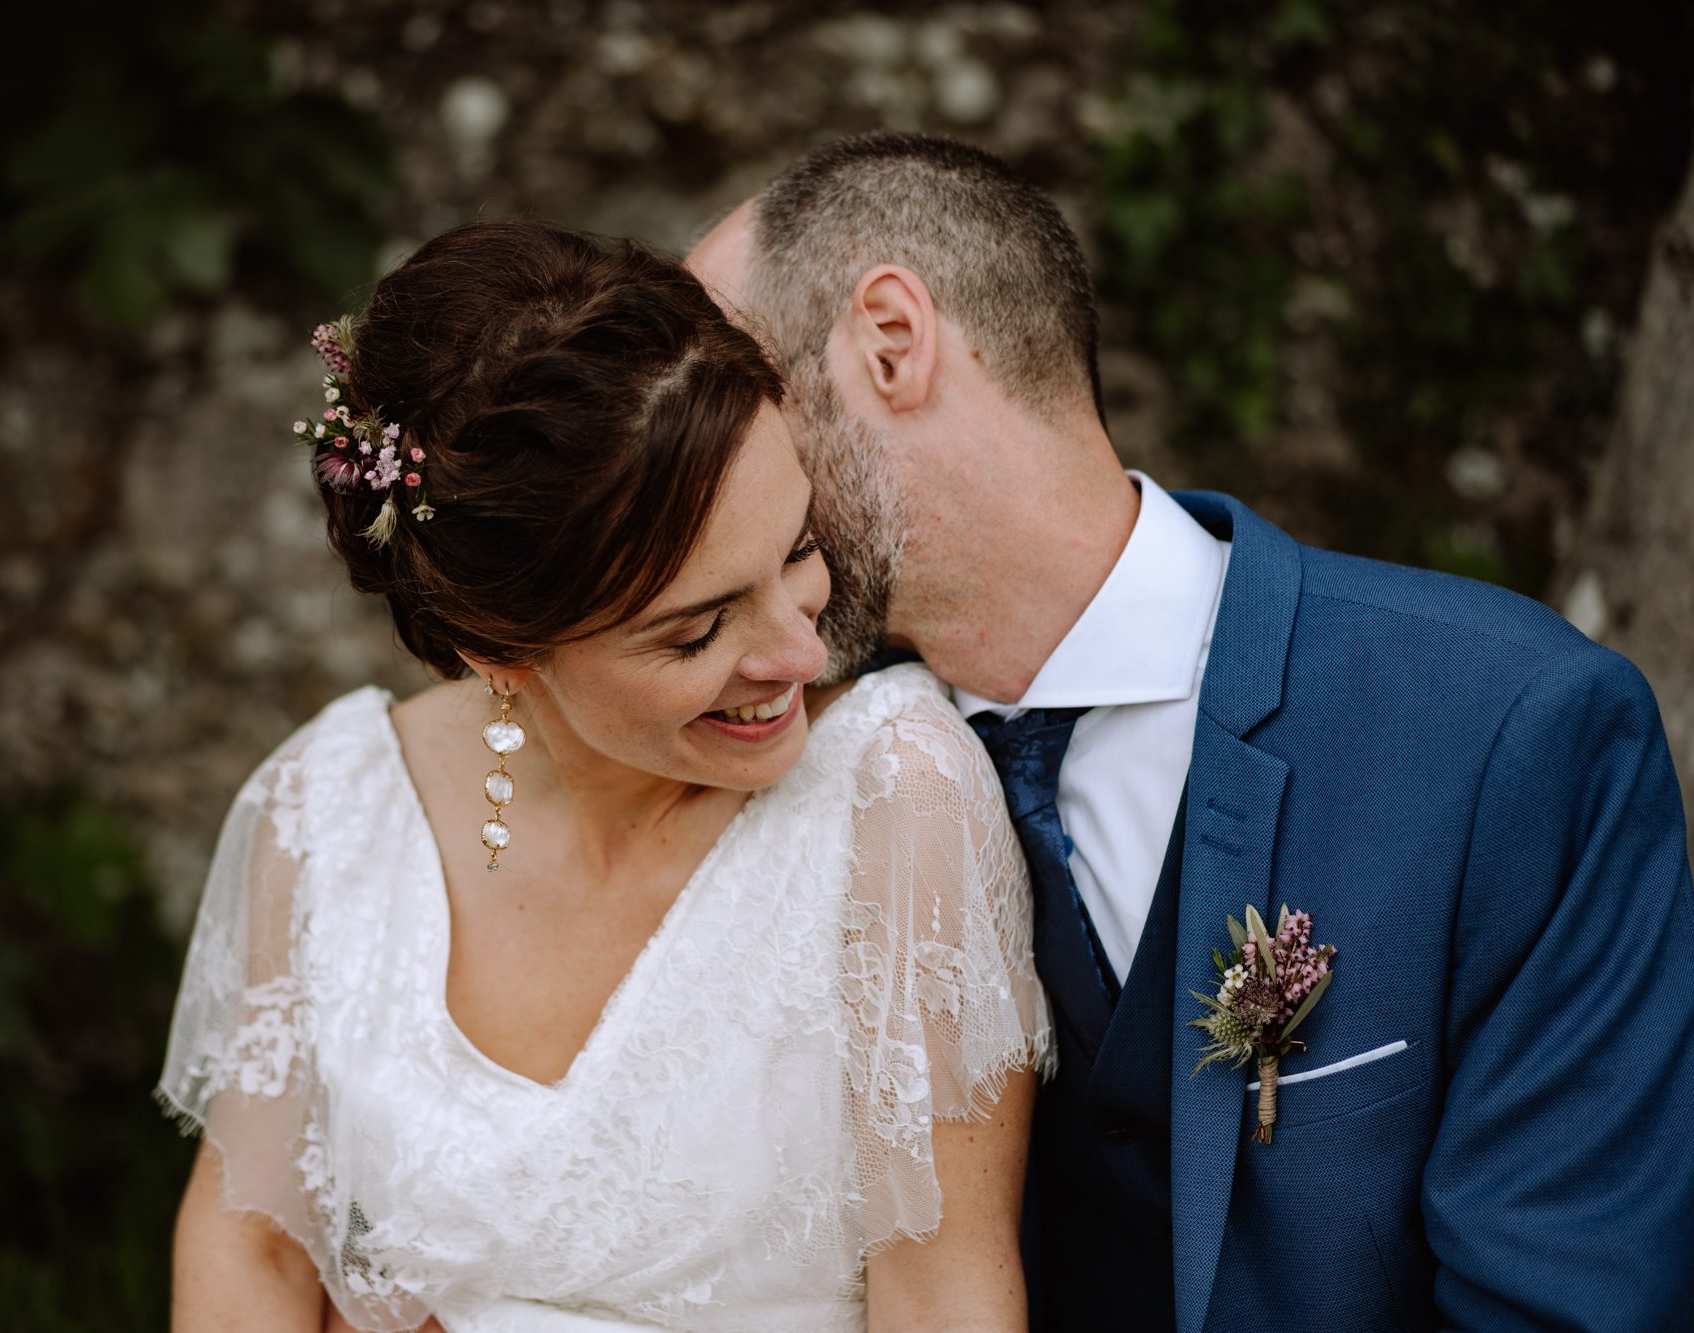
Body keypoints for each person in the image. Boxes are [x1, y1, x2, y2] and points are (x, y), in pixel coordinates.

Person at [687, 131, 1694, 1332]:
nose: (685, 473)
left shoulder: (1507, 729)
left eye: (726, 401)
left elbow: (1564, 1299)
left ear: (890, 343)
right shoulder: (787, 779)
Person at [155, 217, 1055, 1332]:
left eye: (795, 550)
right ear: (501, 652)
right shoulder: (328, 811)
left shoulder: (894, 799)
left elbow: (946, 1296)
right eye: (696, 632)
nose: (799, 652)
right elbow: (251, 1247)